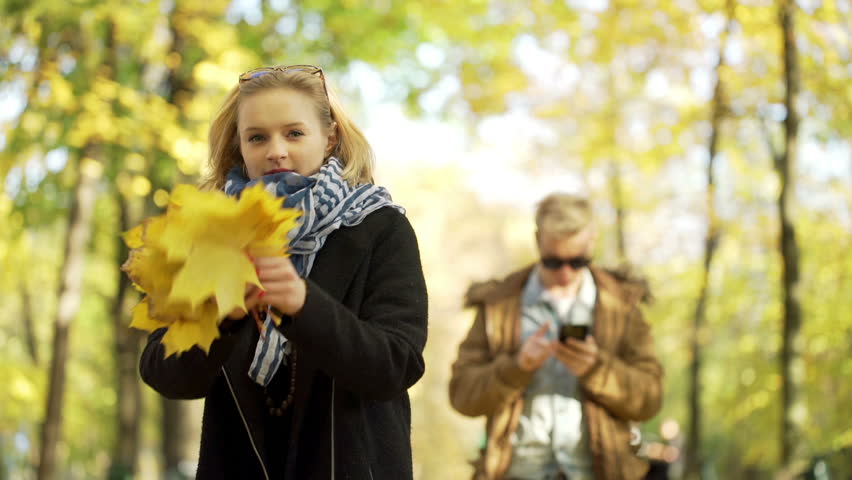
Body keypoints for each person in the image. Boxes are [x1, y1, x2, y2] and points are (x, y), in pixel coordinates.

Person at [139, 64, 428, 479]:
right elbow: (165, 373)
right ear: (239, 147)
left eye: (294, 133)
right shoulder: (206, 237)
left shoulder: (380, 228)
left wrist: (304, 307)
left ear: (329, 138)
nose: (276, 150)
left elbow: (397, 365)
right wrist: (223, 319)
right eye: (257, 137)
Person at [449, 193, 663, 480]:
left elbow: (650, 398)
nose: (565, 274)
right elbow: (462, 395)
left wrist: (597, 369)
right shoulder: (499, 303)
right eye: (553, 262)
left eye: (577, 262)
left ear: (592, 242)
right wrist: (517, 367)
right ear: (538, 242)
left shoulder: (622, 305)